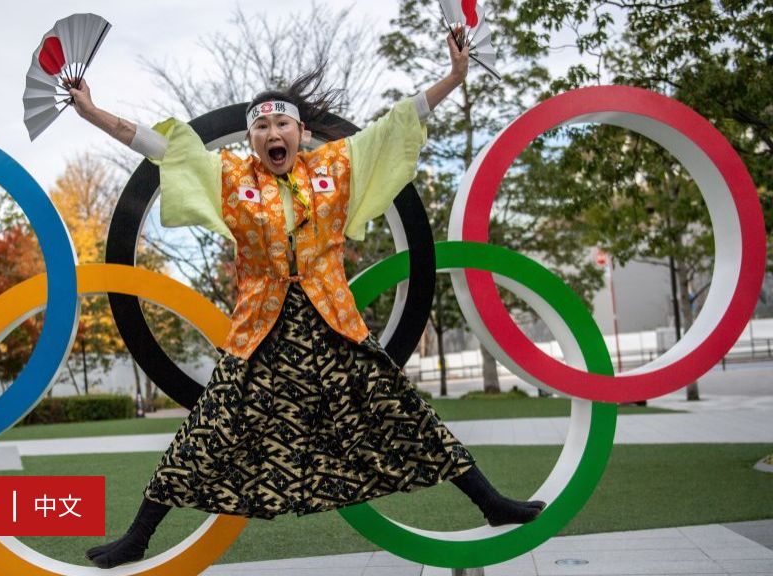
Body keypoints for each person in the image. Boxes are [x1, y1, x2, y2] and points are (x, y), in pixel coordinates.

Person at [67, 29, 544, 569]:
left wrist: (454, 78)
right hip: (259, 333)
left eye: (282, 123)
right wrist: (92, 113)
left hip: (333, 324)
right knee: (209, 429)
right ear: (251, 138)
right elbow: (160, 145)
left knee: (403, 411)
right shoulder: (228, 176)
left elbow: (393, 125)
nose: (273, 132)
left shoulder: (334, 168)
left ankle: (491, 504)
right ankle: (137, 539)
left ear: (300, 131)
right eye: (262, 126)